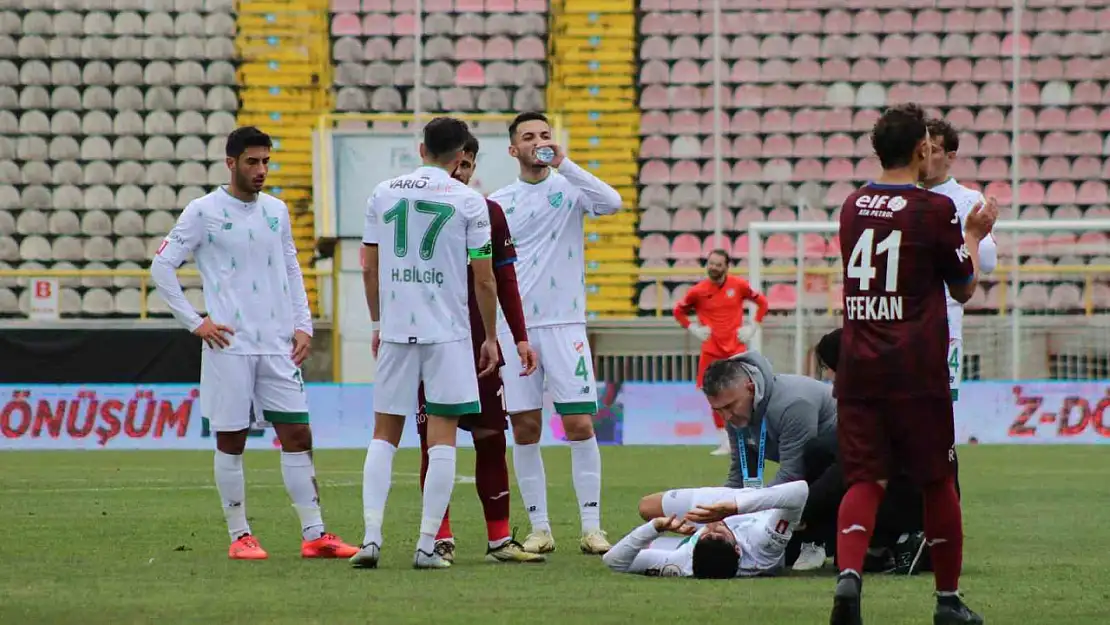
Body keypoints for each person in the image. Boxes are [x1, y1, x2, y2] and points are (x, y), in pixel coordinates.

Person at [150, 126, 358, 560]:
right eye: (252, 162)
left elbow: (291, 268)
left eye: (266, 161)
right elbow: (162, 267)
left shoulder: (277, 211)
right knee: (232, 438)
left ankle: (315, 533)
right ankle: (240, 534)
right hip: (230, 346)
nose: (261, 169)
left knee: (298, 434)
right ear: (231, 163)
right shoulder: (203, 211)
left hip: (277, 344)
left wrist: (303, 326)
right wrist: (196, 322)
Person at [830, 103, 995, 625]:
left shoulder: (853, 205)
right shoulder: (933, 210)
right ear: (923, 149)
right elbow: (963, 287)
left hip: (858, 367)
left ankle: (849, 582)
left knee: (864, 481)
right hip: (915, 368)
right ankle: (947, 602)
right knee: (937, 482)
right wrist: (973, 233)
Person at [354, 117, 500, 570]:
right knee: (442, 440)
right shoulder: (470, 202)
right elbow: (484, 278)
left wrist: (378, 321)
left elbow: (368, 267)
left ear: (420, 150)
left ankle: (371, 539)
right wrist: (491, 336)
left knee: (384, 435)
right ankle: (424, 546)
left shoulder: (383, 192)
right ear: (461, 157)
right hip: (449, 333)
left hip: (398, 329)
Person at [488, 111, 624, 555]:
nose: (539, 142)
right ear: (513, 150)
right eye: (528, 137)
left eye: (545, 135)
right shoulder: (499, 201)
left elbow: (613, 203)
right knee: (525, 427)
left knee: (580, 423)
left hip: (565, 325)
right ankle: (540, 528)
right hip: (516, 330)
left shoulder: (570, 188)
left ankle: (591, 527)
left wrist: (566, 163)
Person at [412, 134, 545, 564]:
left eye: (468, 165)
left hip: (479, 344)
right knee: (435, 444)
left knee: (490, 439)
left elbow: (504, 280)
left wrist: (519, 336)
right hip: (431, 345)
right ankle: (439, 536)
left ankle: (499, 540)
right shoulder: (414, 212)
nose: (460, 172)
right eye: (456, 163)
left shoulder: (488, 212)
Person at [637, 350, 835, 569]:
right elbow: (740, 473)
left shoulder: (793, 404)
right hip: (803, 477)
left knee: (813, 462)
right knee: (649, 508)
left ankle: (816, 539)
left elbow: (792, 475)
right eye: (718, 410)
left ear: (750, 389)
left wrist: (739, 513)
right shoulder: (737, 413)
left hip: (841, 468)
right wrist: (716, 517)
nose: (726, 418)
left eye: (730, 407)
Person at [921, 118, 998, 400]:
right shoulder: (903, 195)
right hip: (901, 320)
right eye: (922, 148)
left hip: (945, 321)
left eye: (934, 149)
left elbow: (988, 261)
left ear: (950, 157)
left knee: (942, 412)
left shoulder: (967, 200)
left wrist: (971, 235)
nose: (926, 156)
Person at [602, 481, 808, 578]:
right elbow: (798, 492)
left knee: (647, 506)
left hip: (714, 505)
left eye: (707, 534)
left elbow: (613, 561)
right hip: (757, 506)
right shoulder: (763, 545)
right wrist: (736, 506)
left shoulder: (682, 562)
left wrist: (654, 527)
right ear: (738, 549)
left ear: (692, 550)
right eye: (720, 533)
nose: (714, 526)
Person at [672, 248, 769, 455]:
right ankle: (724, 441)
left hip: (736, 350)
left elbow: (762, 303)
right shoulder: (698, 291)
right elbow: (678, 311)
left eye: (718, 264)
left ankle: (748, 435)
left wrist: (753, 327)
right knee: (714, 396)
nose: (713, 267)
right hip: (711, 352)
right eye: (710, 263)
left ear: (726, 266)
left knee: (746, 394)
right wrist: (693, 329)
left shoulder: (739, 286)